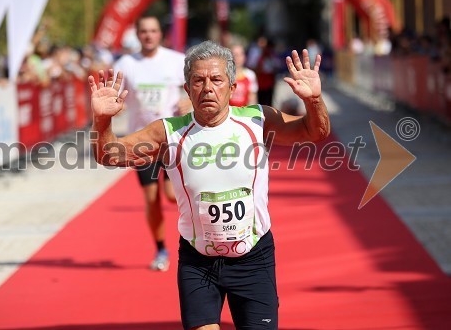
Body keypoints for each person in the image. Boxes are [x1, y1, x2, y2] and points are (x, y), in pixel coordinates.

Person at [89, 40, 330, 329]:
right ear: (187, 89)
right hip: (198, 260)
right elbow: (108, 155)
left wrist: (313, 99)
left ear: (232, 85)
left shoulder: (258, 120)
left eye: (216, 80)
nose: (207, 88)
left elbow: (315, 132)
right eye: (198, 81)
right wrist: (102, 120)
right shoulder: (169, 132)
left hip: (254, 258)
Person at [112, 15, 191, 272]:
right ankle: (161, 249)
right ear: (137, 34)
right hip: (141, 141)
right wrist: (116, 105)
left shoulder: (176, 61)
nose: (148, 35)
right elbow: (116, 95)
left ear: (161, 34)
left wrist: (189, 102)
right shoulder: (126, 63)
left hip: (170, 137)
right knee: (151, 198)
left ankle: (194, 236)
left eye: (153, 30)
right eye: (144, 31)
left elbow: (196, 86)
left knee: (171, 195)